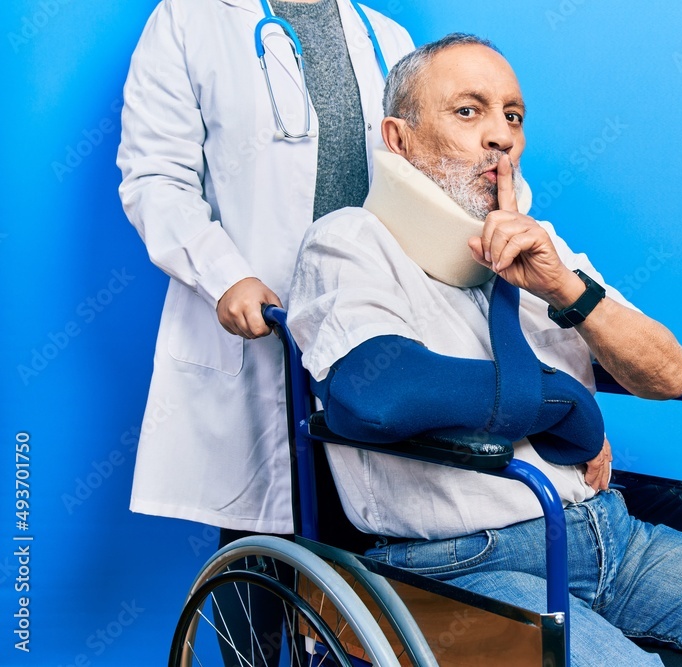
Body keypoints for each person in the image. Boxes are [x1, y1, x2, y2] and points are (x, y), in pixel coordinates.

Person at [288, 33, 682, 666]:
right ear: (400, 139)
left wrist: (568, 291)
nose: (500, 135)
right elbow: (377, 396)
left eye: (513, 116)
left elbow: (666, 374)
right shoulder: (349, 242)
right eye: (469, 112)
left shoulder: (546, 247)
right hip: (463, 562)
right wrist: (566, 404)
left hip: (611, 534)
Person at [117, 1, 412, 664]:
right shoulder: (189, 20)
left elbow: (421, 178)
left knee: (367, 581)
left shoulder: (385, 36)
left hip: (366, 339)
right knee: (258, 566)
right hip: (259, 333)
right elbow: (155, 176)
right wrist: (225, 276)